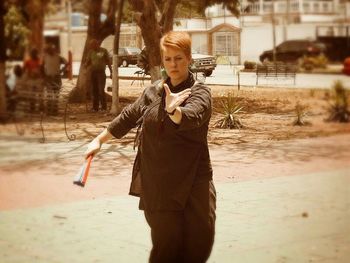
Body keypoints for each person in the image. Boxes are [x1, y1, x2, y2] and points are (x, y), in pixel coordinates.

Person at [84, 31, 216, 262]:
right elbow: (126, 117)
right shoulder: (153, 91)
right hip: (159, 183)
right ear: (162, 61)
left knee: (198, 245)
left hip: (195, 181)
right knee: (166, 246)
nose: (173, 65)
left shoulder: (200, 92)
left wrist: (174, 110)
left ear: (189, 59)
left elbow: (193, 115)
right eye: (168, 59)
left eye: (179, 58)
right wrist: (98, 140)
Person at [85, 39, 112, 112]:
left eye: (93, 45)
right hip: (93, 73)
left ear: (97, 44)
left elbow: (108, 61)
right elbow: (88, 62)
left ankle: (104, 107)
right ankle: (95, 107)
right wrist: (86, 66)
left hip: (101, 73)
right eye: (91, 46)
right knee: (94, 90)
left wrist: (111, 72)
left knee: (101, 90)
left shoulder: (103, 51)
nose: (91, 47)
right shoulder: (91, 52)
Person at [42, 44, 68, 115]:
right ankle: (49, 111)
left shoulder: (58, 57)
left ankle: (55, 111)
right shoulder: (45, 57)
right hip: (49, 77)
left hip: (56, 77)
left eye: (49, 50)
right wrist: (44, 75)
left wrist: (62, 70)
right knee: (49, 94)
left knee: (56, 94)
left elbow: (67, 63)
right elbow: (41, 66)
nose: (48, 52)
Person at [23, 48, 44, 112]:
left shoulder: (40, 61)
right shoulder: (27, 61)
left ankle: (41, 108)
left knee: (40, 95)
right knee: (32, 94)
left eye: (34, 53)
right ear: (30, 54)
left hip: (38, 80)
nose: (33, 55)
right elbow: (24, 70)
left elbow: (42, 70)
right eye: (32, 53)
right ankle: (32, 108)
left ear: (36, 54)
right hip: (31, 80)